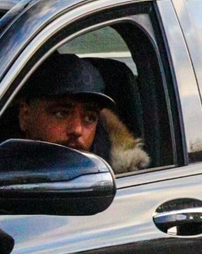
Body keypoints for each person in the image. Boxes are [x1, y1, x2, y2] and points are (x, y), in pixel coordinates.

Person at [9, 52, 152, 173]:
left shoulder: (116, 184)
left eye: (89, 118)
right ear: (25, 116)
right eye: (61, 114)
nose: (77, 129)